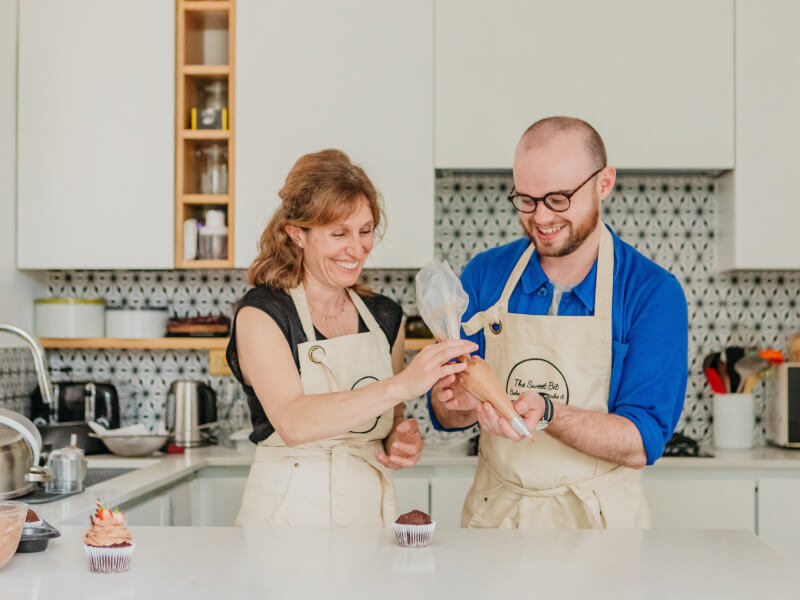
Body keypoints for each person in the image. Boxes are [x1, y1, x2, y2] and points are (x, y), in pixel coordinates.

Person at [430, 117, 688, 529]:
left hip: (600, 528)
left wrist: (548, 412)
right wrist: (457, 404)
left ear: (604, 183)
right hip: (495, 521)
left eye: (558, 198)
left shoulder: (651, 292)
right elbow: (447, 414)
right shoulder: (485, 274)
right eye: (526, 199)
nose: (541, 216)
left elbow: (641, 442)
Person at [228, 149, 475, 527]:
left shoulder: (385, 317)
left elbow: (388, 419)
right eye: (339, 233)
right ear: (297, 233)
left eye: (365, 230)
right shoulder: (262, 313)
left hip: (368, 515)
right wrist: (402, 385)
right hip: (286, 519)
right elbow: (293, 422)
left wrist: (399, 440)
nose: (357, 248)